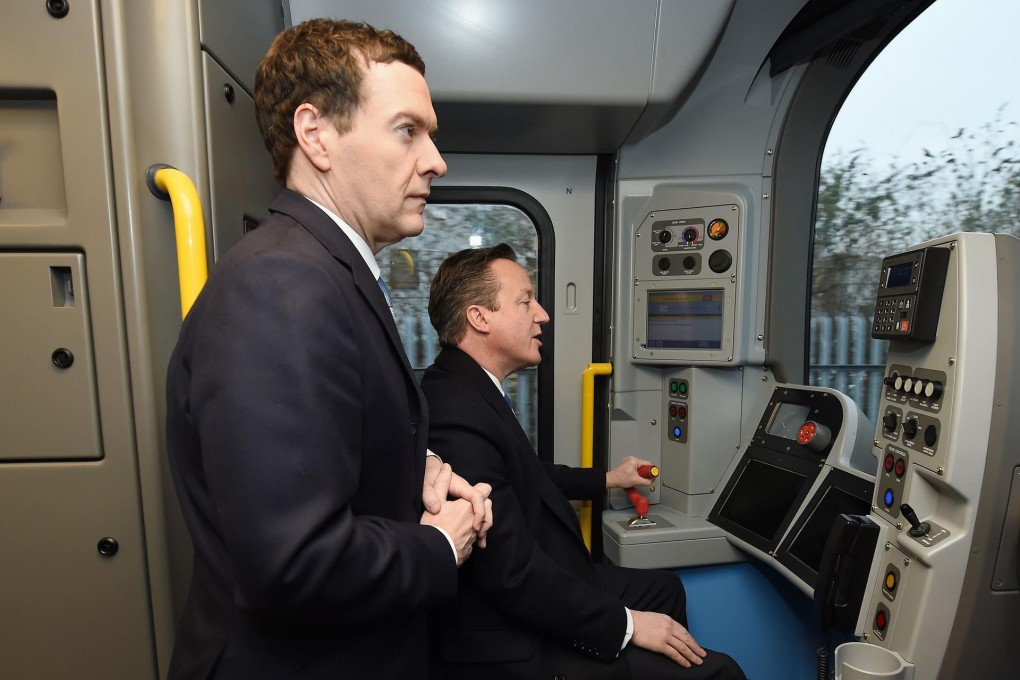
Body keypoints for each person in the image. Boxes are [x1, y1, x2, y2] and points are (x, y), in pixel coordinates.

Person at [164, 19, 491, 680]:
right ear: (316, 135)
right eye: (408, 131)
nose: (435, 160)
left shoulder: (323, 271)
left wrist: (414, 465)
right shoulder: (280, 285)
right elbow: (294, 563)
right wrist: (439, 543)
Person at [422, 244, 747, 680]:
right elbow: (511, 572)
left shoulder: (470, 387)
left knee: (664, 589)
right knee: (721, 672)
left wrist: (610, 478)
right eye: (525, 301)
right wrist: (628, 626)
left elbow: (530, 477)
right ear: (480, 318)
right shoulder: (456, 412)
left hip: (541, 575)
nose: (542, 314)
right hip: (505, 642)